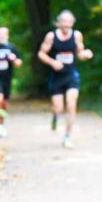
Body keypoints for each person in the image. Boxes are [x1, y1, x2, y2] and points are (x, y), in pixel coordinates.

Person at [37, 10, 93, 149]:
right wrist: (52, 62)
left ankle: (67, 136)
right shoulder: (51, 36)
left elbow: (80, 53)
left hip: (71, 75)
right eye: (64, 22)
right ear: (59, 23)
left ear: (73, 23)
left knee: (71, 104)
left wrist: (85, 54)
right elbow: (41, 53)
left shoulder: (76, 35)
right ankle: (55, 116)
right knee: (58, 108)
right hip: (56, 77)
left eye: (69, 22)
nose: (67, 25)